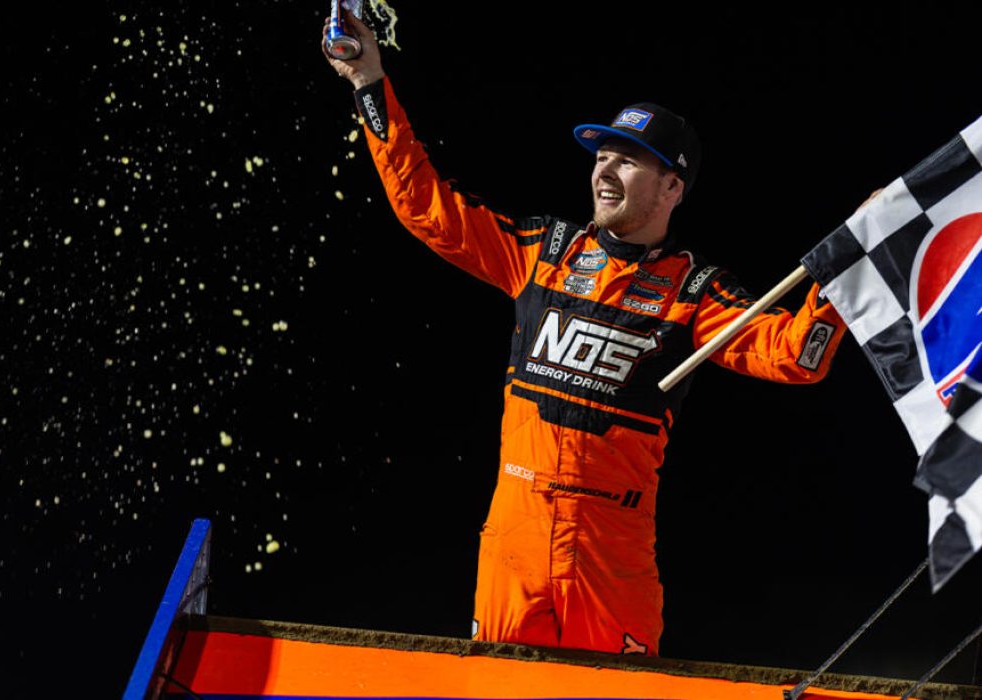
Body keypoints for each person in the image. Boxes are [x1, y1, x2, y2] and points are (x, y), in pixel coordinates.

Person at [323, 14, 847, 656]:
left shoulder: (696, 289)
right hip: (514, 530)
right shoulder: (543, 250)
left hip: (611, 546)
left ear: (673, 186)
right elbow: (423, 207)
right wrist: (368, 82)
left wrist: (848, 273)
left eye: (628, 161)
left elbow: (797, 357)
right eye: (602, 156)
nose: (606, 171)